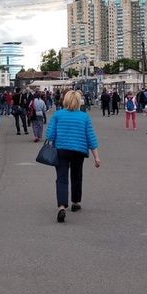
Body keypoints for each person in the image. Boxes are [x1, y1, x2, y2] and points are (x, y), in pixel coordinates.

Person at [46, 90, 100, 223]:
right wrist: (96, 157)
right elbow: (90, 138)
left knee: (61, 179)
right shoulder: (84, 117)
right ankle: (75, 202)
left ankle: (61, 207)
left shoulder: (57, 115)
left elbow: (50, 136)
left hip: (61, 150)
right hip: (78, 151)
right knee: (76, 176)